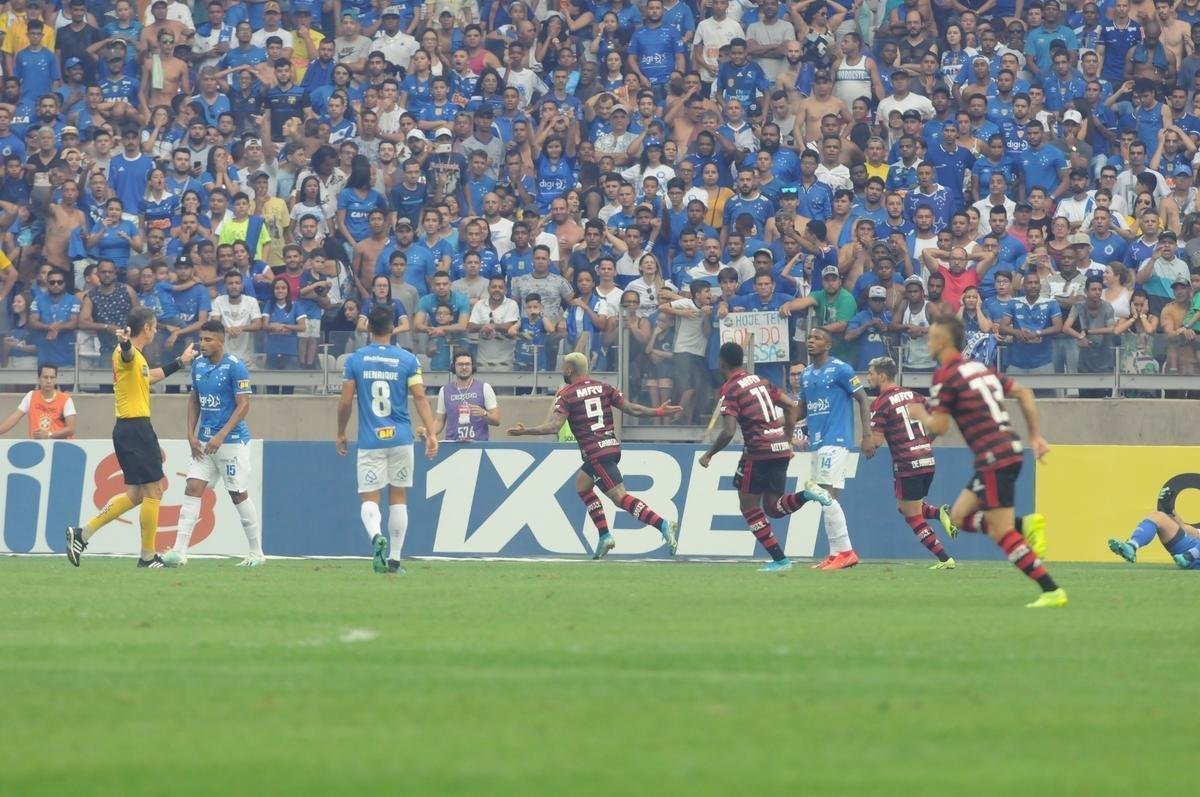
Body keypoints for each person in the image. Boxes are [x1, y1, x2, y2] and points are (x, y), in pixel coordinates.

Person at [906, 315, 1067, 608]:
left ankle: (1050, 589)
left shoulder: (946, 375)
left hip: (994, 456)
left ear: (942, 341)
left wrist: (920, 415)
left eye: (931, 337)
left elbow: (939, 427)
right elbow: (1024, 392)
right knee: (958, 516)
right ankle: (1025, 524)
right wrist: (1035, 436)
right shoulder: (980, 368)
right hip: (1008, 450)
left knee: (1001, 532)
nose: (927, 342)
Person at [508, 351, 680, 559]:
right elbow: (632, 409)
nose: (562, 370)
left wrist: (526, 430)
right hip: (610, 447)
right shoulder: (604, 387)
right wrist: (658, 412)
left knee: (619, 497)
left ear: (570, 370)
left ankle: (662, 524)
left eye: (564, 367)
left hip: (594, 451)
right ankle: (604, 535)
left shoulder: (566, 394)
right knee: (582, 486)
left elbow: (555, 426)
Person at [66, 307, 197, 569]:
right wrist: (124, 343)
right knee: (154, 491)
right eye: (155, 325)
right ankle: (147, 557)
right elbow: (125, 354)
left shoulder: (140, 359)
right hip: (134, 428)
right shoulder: (126, 354)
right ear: (146, 328)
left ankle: (83, 533)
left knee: (136, 495)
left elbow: (153, 376)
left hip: (133, 428)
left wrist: (181, 361)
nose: (157, 330)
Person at [698, 342, 833, 572]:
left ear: (721, 363)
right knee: (773, 507)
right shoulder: (761, 380)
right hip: (779, 448)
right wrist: (787, 441)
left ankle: (781, 560)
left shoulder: (730, 389)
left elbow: (729, 431)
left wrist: (709, 454)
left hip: (758, 452)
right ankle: (808, 494)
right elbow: (792, 407)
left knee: (749, 507)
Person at [337, 305, 439, 575]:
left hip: (371, 440)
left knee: (369, 497)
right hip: (401, 438)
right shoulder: (408, 360)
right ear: (393, 328)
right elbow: (419, 397)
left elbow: (346, 401)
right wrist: (431, 432)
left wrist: (340, 432)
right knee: (399, 496)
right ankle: (394, 560)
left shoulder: (355, 359)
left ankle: (375, 537)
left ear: (368, 327)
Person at [161, 320, 261, 567]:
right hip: (204, 442)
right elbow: (194, 399)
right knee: (192, 488)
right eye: (201, 339)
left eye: (208, 340)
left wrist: (222, 435)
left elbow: (244, 405)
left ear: (221, 340)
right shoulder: (197, 365)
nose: (202, 344)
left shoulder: (235, 367)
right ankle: (179, 552)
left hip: (232, 442)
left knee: (237, 494)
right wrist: (190, 434)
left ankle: (256, 552)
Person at [865, 356, 956, 569]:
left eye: (870, 374)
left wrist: (865, 439)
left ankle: (945, 559)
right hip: (927, 460)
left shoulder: (880, 403)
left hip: (907, 464)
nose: (868, 378)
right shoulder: (915, 396)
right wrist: (923, 443)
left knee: (912, 515)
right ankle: (938, 512)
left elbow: (876, 442)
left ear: (882, 375)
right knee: (905, 507)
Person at [797, 327, 877, 570]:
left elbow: (863, 398)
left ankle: (847, 551)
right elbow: (802, 409)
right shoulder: (806, 374)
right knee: (825, 499)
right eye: (809, 338)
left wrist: (867, 435)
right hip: (817, 442)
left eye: (817, 338)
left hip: (837, 440)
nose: (811, 341)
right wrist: (779, 421)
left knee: (828, 497)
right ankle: (834, 554)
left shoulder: (841, 369)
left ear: (828, 345)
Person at [1109, 485, 1200, 569]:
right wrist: (1169, 510)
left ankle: (1191, 556)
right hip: (1190, 549)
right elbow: (1189, 531)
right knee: (1158, 517)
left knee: (1192, 553)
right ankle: (1132, 546)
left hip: (1191, 554)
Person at [425, 349, 501, 442]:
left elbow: (497, 420)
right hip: (452, 446)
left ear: (472, 366)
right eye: (460, 364)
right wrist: (429, 432)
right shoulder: (444, 390)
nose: (464, 367)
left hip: (478, 445)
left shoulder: (484, 387)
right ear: (454, 366)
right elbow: (439, 421)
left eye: (467, 364)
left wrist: (484, 413)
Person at [0, 363, 76, 439]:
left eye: (52, 377)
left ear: (56, 380)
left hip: (60, 447)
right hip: (37, 446)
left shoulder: (66, 399)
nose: (49, 381)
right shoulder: (31, 396)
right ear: (38, 379)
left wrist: (49, 435)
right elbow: (14, 418)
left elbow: (71, 429)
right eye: (45, 377)